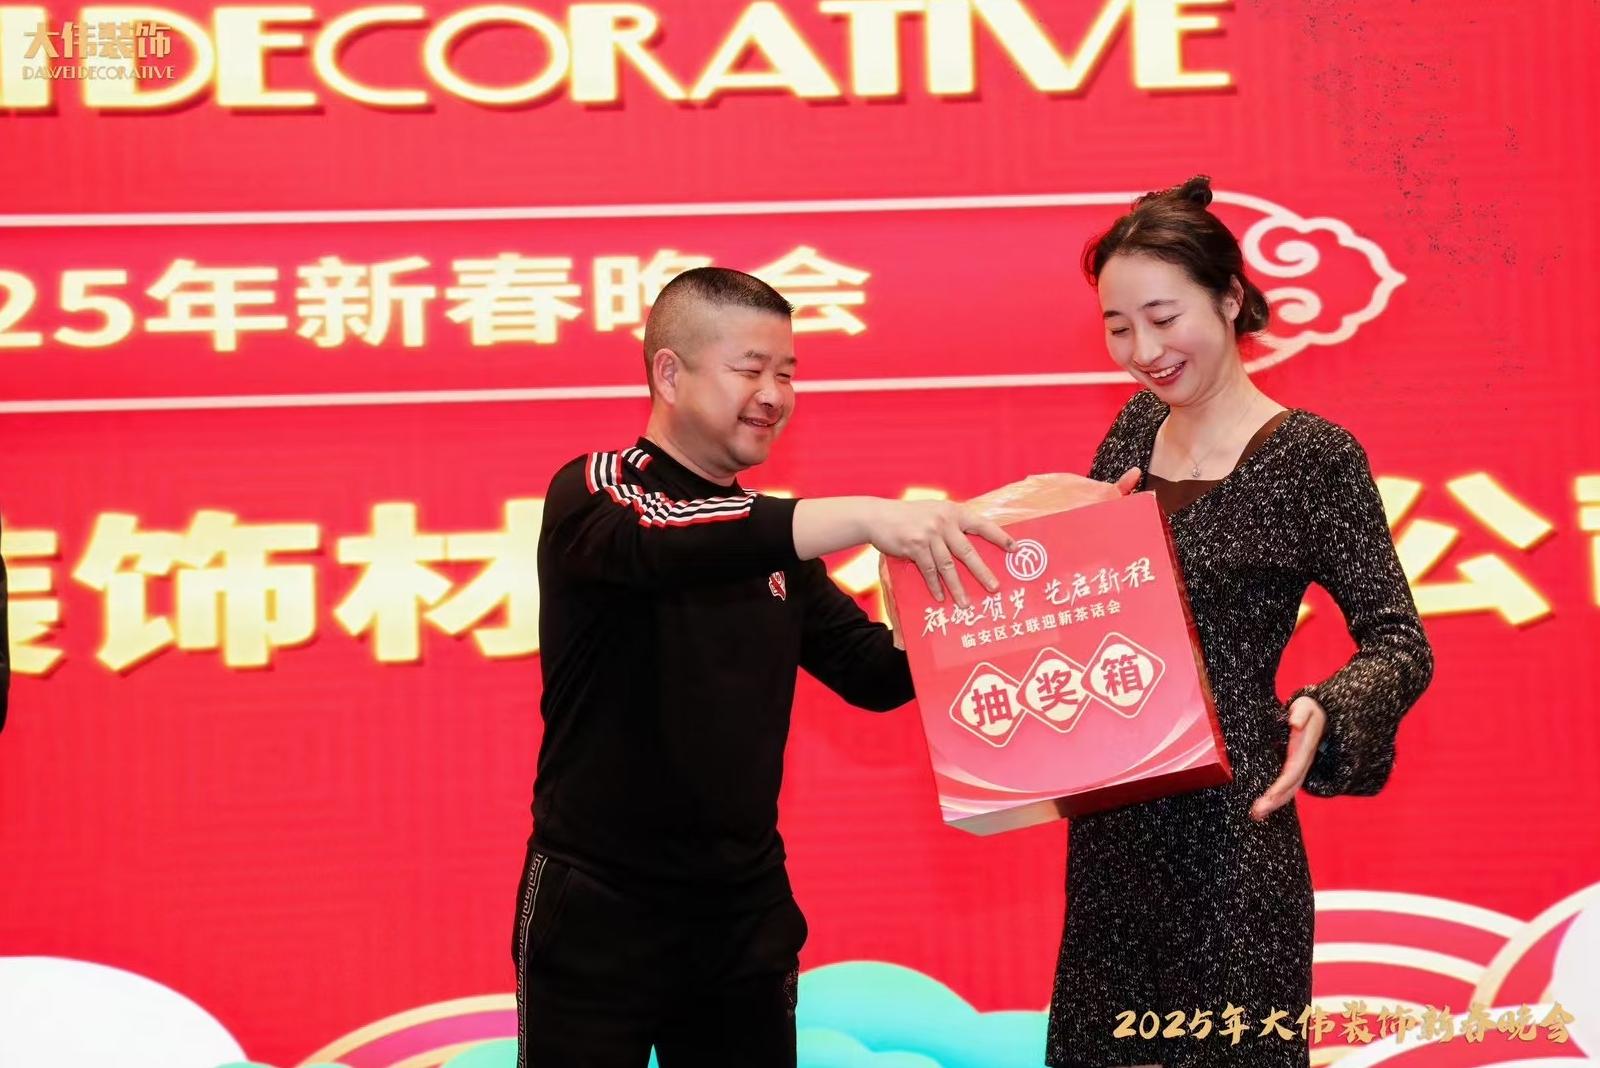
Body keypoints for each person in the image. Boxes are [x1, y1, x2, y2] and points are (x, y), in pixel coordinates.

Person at [516, 267, 1027, 1068]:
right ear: (669, 373)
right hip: (598, 908)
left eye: (787, 374)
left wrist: (1016, 589)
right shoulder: (599, 493)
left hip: (742, 916)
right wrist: (869, 516)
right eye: (750, 369)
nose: (774, 395)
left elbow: (875, 674)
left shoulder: (774, 545)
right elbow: (678, 533)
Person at [1046, 177, 1434, 1068]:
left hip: (1234, 827)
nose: (1143, 350)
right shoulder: (1131, 432)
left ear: (1229, 299)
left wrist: (1330, 705)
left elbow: (1399, 639)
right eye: (1117, 327)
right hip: (1115, 824)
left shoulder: (1313, 457)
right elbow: (1091, 607)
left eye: (1163, 317)